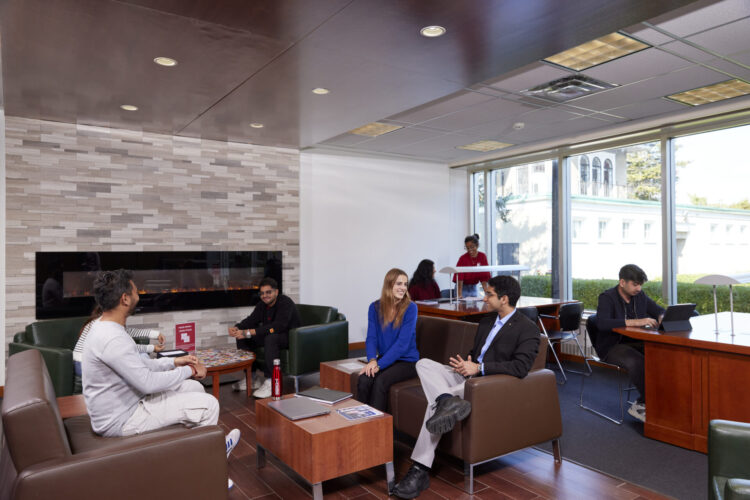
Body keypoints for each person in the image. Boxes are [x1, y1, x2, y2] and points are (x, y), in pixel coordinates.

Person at [81, 270, 240, 488]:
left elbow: (142, 365)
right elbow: (147, 382)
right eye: (136, 290)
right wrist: (191, 370)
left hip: (127, 404)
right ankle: (209, 472)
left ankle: (195, 452)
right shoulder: (111, 338)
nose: (139, 293)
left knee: (193, 388)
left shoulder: (105, 327)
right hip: (122, 418)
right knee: (208, 404)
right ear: (125, 299)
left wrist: (176, 362)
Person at [392, 275, 539, 499]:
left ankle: (419, 469)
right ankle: (446, 401)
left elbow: (521, 367)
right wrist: (465, 364)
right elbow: (476, 353)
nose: (484, 298)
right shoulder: (486, 322)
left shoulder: (527, 329)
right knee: (423, 364)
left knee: (433, 406)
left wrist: (478, 369)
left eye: (488, 294)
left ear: (505, 298)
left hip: (484, 384)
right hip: (465, 376)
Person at [594, 264, 665, 423]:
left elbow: (659, 310)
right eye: (635, 284)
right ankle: (643, 404)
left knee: (661, 354)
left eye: (640, 284)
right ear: (622, 282)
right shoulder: (607, 297)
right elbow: (602, 323)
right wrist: (637, 321)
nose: (638, 288)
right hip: (611, 346)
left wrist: (661, 316)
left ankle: (656, 402)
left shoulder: (640, 296)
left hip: (634, 342)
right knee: (637, 361)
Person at [358, 268, 420, 412]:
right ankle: (360, 422)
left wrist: (379, 365)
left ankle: (377, 428)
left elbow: (402, 345)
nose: (403, 288)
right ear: (389, 285)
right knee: (364, 379)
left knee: (380, 381)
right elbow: (371, 338)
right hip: (386, 358)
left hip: (407, 361)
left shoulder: (411, 308)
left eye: (405, 284)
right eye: (399, 284)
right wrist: (372, 360)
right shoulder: (374, 307)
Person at [228, 277, 300, 398]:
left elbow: (278, 326)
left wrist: (250, 332)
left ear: (276, 292)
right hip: (272, 334)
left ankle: (271, 381)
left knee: (270, 338)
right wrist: (237, 328)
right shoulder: (262, 305)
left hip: (291, 337)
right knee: (242, 337)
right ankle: (251, 378)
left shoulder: (285, 302)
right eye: (262, 293)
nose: (265, 296)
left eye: (268, 292)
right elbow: (251, 320)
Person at [73, 305, 166, 393]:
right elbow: (127, 347)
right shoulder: (105, 326)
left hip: (82, 363)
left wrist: (155, 334)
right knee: (139, 359)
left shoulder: (99, 321)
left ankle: (148, 380)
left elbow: (128, 332)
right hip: (87, 366)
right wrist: (152, 348)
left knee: (140, 357)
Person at [453, 234, 490, 298]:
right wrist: (459, 294)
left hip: (474, 287)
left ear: (477, 245)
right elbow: (460, 278)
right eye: (467, 248)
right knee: (461, 306)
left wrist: (486, 294)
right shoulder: (463, 258)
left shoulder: (482, 256)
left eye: (472, 247)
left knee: (475, 306)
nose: (470, 250)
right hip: (462, 287)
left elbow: (484, 276)